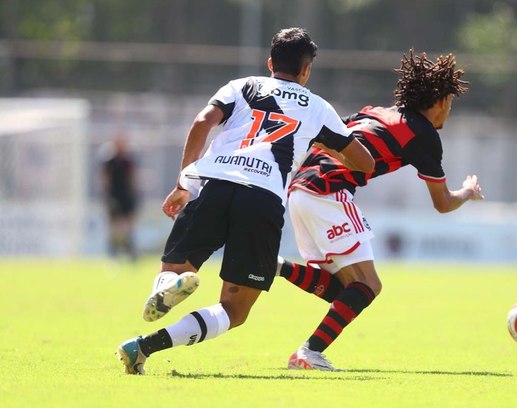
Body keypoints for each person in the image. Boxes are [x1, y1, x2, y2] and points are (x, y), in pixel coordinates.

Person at [115, 27, 374, 375]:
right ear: (306, 70)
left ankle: (168, 286)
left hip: (214, 186)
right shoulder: (318, 108)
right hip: (262, 199)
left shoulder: (242, 86)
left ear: (270, 63)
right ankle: (143, 347)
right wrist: (325, 145)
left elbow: (202, 122)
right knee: (234, 310)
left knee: (176, 268)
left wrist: (182, 183)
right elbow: (365, 162)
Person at [277, 51, 484, 371]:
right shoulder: (423, 134)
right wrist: (468, 192)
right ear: (441, 101)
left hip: (300, 188)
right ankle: (308, 353)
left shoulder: (374, 113)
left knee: (345, 290)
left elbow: (322, 139)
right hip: (327, 192)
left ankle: (273, 266)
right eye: (450, 104)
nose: (449, 112)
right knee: (368, 285)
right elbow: (442, 203)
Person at [100, 134, 139, 261]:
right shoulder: (109, 161)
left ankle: (130, 251)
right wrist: (108, 195)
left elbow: (132, 178)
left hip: (126, 196)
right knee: (114, 225)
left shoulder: (128, 161)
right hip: (114, 195)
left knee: (128, 225)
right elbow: (105, 179)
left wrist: (133, 194)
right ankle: (113, 253)